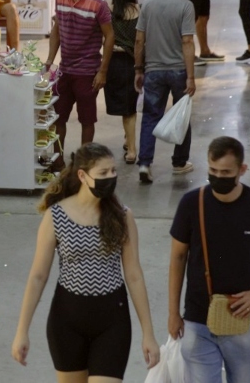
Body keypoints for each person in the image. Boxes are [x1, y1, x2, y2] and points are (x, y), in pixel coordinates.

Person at [12, 143, 160, 380]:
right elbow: (38, 276)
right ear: (82, 175)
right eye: (103, 173)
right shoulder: (56, 216)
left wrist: (148, 334)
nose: (110, 177)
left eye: (113, 171)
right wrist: (22, 331)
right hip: (67, 320)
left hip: (112, 320)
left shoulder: (122, 215)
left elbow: (134, 275)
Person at [168, 136, 250, 381]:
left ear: (242, 170)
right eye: (213, 170)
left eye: (226, 172)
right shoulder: (191, 204)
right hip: (197, 318)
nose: (218, 177)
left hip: (244, 319)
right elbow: (177, 258)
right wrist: (173, 313)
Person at [44, 0, 114, 166]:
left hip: (88, 72)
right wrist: (49, 60)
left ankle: (84, 163)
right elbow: (57, 28)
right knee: (58, 118)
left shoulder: (98, 2)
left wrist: (102, 71)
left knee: (87, 120)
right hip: (65, 71)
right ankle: (59, 162)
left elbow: (110, 36)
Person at [134, 0, 197, 183]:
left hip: (153, 71)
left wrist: (139, 69)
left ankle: (144, 163)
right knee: (182, 115)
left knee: (151, 116)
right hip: (179, 71)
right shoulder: (185, 6)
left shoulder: (148, 4)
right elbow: (187, 41)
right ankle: (179, 162)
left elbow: (139, 39)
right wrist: (190, 76)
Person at [104, 0, 141, 165]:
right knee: (130, 109)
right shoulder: (140, 12)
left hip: (112, 63)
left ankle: (130, 142)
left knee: (123, 107)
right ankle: (132, 148)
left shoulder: (109, 13)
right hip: (132, 62)